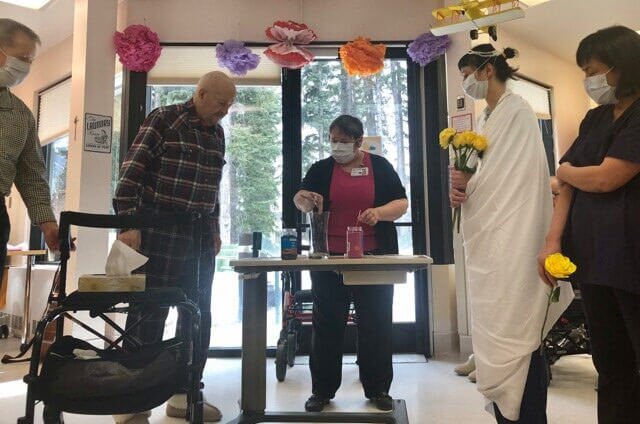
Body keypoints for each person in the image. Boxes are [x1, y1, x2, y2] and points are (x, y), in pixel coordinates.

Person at [450, 44, 571, 423]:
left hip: (514, 236)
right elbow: (485, 177)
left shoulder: (517, 111)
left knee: (518, 326)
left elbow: (512, 179)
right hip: (490, 238)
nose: (466, 83)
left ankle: (528, 414)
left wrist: (472, 185)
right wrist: (462, 185)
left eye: (468, 74)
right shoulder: (487, 118)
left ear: (487, 71)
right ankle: (506, 412)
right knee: (495, 321)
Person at [113, 71, 235, 424]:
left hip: (197, 233)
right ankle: (133, 399)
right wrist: (129, 223)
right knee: (148, 313)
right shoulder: (164, 119)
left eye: (229, 105)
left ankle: (185, 393)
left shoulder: (218, 133)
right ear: (200, 94)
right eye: (221, 103)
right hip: (157, 228)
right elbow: (130, 174)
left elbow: (213, 189)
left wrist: (213, 229)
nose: (224, 111)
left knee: (197, 316)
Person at [538, 26, 640, 424]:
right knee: (610, 362)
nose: (588, 81)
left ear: (624, 66)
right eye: (583, 71)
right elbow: (567, 187)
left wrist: (567, 169)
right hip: (596, 260)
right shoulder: (595, 118)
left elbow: (605, 178)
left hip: (632, 259)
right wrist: (552, 242)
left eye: (593, 70)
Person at [294, 115, 408, 412]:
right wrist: (304, 199)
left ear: (359, 142)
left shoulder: (379, 166)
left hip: (373, 256)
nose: (337, 146)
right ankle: (322, 390)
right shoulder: (321, 169)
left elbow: (401, 203)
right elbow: (301, 199)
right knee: (327, 323)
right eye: (333, 140)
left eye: (343, 141)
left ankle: (378, 389)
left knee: (376, 322)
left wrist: (379, 213)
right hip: (329, 258)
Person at [0, 19, 60, 265]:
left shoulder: (21, 114)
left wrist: (48, 224)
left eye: (29, 61)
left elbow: (32, 174)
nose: (25, 67)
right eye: (23, 58)